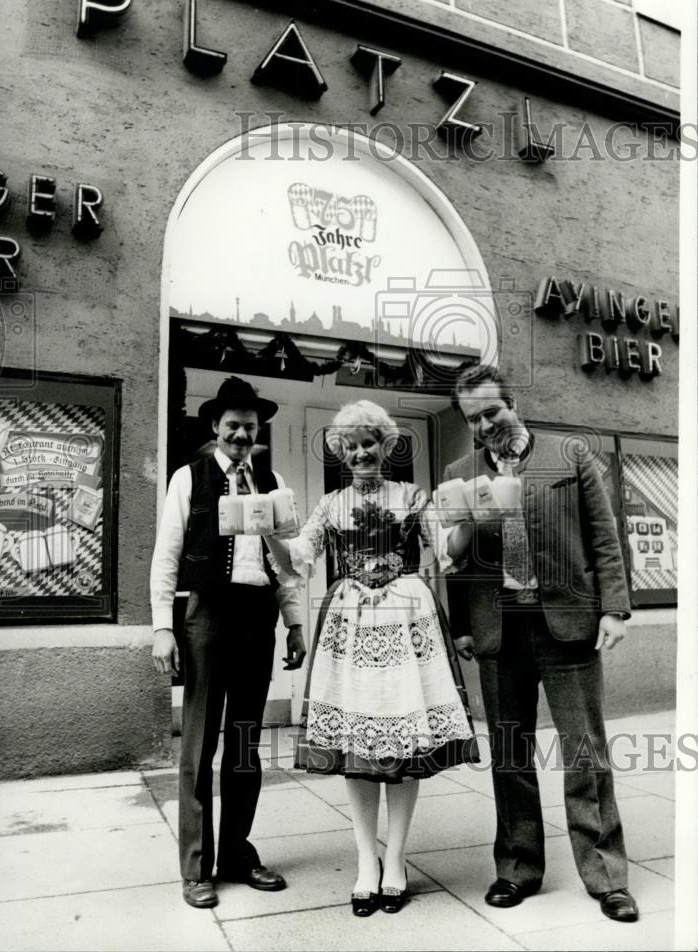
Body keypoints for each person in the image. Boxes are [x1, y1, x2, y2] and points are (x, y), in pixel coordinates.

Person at [442, 362, 639, 923]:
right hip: (498, 629)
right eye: (473, 419)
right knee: (509, 756)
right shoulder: (459, 473)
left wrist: (614, 608)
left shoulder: (570, 456)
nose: (485, 426)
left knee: (585, 751)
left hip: (567, 623)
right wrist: (462, 625)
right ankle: (517, 868)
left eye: (492, 412)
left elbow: (605, 536)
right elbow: (456, 560)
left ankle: (606, 876)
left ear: (514, 405)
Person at [266, 400, 477, 917]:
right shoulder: (330, 504)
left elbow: (447, 551)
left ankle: (397, 859)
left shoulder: (413, 496)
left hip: (406, 619)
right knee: (354, 742)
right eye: (351, 446)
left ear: (386, 447)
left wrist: (470, 517)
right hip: (352, 623)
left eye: (369, 443)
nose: (361, 453)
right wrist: (266, 529)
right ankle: (366, 860)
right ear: (341, 452)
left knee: (404, 742)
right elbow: (296, 560)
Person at [150, 376, 307, 910]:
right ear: (215, 427)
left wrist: (294, 622)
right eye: (233, 425)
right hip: (208, 617)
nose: (242, 434)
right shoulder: (188, 478)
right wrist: (163, 627)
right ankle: (196, 867)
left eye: (250, 426)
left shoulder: (273, 481)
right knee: (198, 745)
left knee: (244, 742)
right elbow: (166, 555)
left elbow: (288, 562)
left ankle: (237, 853)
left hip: (257, 617)